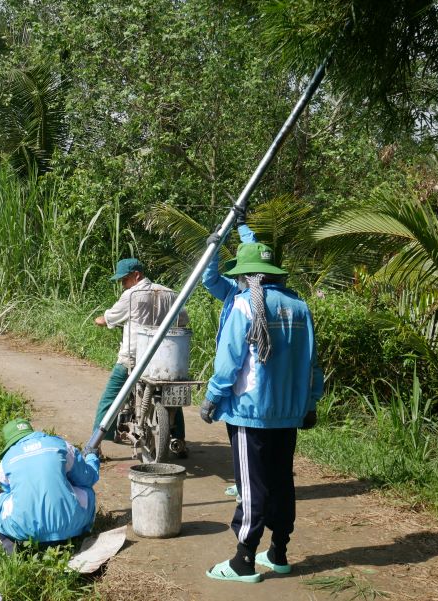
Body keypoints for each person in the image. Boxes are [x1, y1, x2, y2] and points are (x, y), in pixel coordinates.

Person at [200, 242, 322, 583]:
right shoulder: (298, 305)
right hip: (287, 412)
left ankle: (243, 560)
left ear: (249, 276)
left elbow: (229, 362)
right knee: (281, 481)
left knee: (251, 487)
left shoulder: (244, 305)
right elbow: (312, 362)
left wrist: (212, 397)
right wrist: (311, 401)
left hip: (250, 412)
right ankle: (278, 551)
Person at [92, 258, 189, 454]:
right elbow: (183, 320)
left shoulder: (132, 295)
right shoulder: (170, 294)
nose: (123, 285)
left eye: (124, 280)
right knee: (172, 397)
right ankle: (180, 442)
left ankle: (94, 447)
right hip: (166, 361)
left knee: (109, 399)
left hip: (135, 359)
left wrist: (100, 320)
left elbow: (109, 318)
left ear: (137, 275)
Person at [202, 208, 257, 500]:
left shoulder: (257, 299)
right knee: (235, 435)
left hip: (248, 374)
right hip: (232, 376)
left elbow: (255, 251)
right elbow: (208, 280)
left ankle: (249, 488)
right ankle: (242, 480)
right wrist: (213, 251)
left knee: (248, 435)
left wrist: (243, 228)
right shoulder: (232, 292)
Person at [0, 418, 100, 554]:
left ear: (10, 442)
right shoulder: (60, 445)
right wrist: (91, 456)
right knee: (87, 490)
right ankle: (80, 533)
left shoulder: (5, 461)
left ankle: (8, 544)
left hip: (26, 531)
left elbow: (9, 492)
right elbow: (88, 478)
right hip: (71, 526)